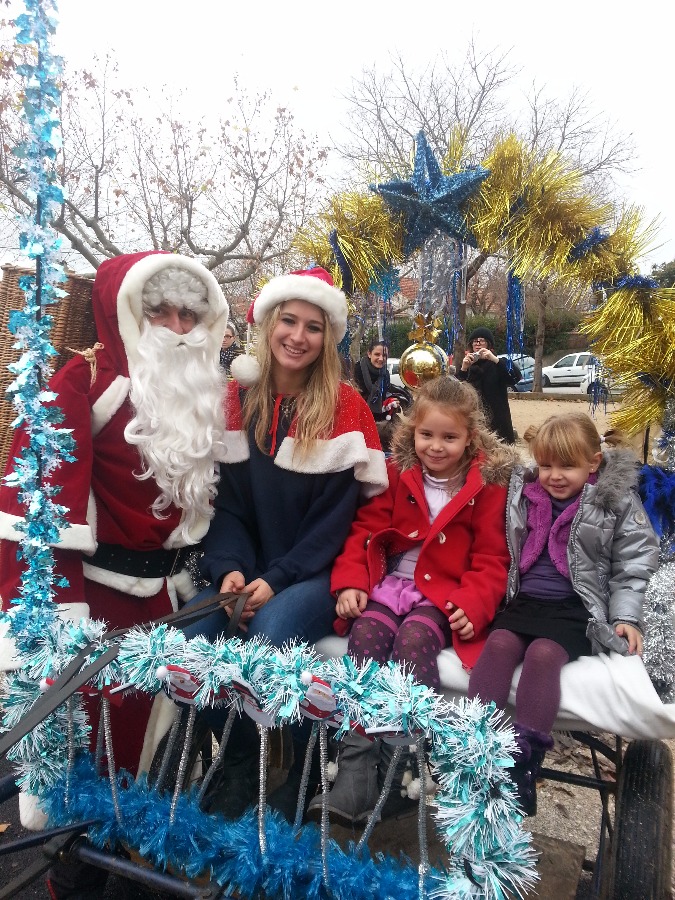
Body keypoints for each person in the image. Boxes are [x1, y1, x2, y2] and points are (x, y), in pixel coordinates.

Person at [0, 251, 229, 895]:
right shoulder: (80, 381)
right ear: (126, 309)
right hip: (100, 610)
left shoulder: (211, 387)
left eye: (190, 312)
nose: (178, 326)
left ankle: (140, 866)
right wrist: (58, 626)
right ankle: (72, 877)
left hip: (184, 603)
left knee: (166, 760)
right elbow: (35, 516)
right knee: (94, 764)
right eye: (160, 310)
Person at [183, 266, 388, 821]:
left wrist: (274, 581)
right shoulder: (237, 399)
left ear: (329, 338)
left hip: (319, 570)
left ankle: (301, 766)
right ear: (268, 324)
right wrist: (229, 569)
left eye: (314, 327)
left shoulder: (346, 408)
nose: (298, 336)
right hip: (250, 563)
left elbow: (333, 525)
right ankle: (240, 758)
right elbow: (229, 507)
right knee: (191, 633)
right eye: (289, 321)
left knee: (271, 635)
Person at [309, 377, 518, 826]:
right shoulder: (397, 475)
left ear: (470, 438)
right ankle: (356, 759)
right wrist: (351, 582)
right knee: (366, 634)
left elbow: (491, 556)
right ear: (412, 433)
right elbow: (365, 531)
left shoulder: (485, 487)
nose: (436, 447)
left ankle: (403, 762)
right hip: (391, 584)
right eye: (427, 435)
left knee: (414, 640)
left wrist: (473, 602)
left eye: (449, 437)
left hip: (440, 590)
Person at [468, 412, 660, 815]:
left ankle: (525, 759)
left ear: (593, 462)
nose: (554, 476)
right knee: (500, 643)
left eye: (567, 466)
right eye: (546, 465)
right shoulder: (524, 492)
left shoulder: (612, 501)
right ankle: (476, 745)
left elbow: (635, 560)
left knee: (543, 655)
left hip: (576, 608)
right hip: (524, 602)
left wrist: (625, 615)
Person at [456, 327, 520, 443]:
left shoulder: (498, 363)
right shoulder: (468, 366)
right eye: (475, 341)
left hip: (497, 419)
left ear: (489, 344)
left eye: (482, 340)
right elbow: (456, 391)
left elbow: (514, 377)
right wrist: (464, 369)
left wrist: (494, 359)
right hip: (474, 418)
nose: (478, 343)